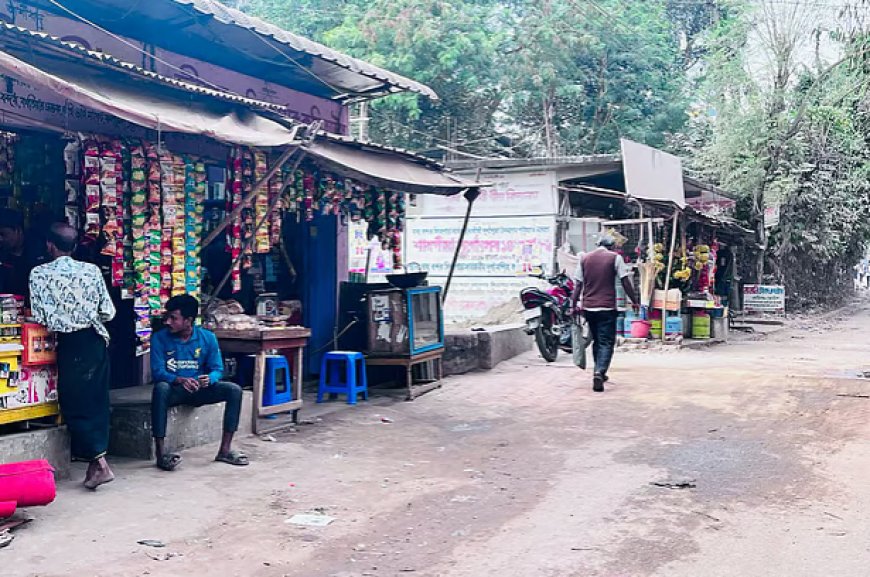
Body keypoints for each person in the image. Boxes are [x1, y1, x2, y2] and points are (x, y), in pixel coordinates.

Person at [29, 223, 116, 489]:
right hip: (96, 339)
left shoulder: (39, 274)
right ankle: (96, 464)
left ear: (49, 245)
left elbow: (39, 315)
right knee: (97, 400)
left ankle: (100, 464)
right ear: (75, 246)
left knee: (74, 403)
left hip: (71, 343)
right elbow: (108, 311)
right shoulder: (91, 271)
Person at [149, 294, 248, 471]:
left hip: (200, 390)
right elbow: (157, 372)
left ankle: (224, 451)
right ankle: (161, 454)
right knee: (160, 388)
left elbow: (217, 369)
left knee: (234, 390)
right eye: (167, 317)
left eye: (174, 318)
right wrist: (178, 380)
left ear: (188, 321)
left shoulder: (208, 338)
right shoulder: (159, 338)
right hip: (175, 390)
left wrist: (209, 379)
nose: (168, 322)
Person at [571, 233, 639, 393]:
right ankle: (599, 372)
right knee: (606, 342)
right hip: (607, 307)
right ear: (612, 246)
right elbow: (625, 281)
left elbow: (578, 285)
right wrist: (634, 300)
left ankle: (599, 370)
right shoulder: (615, 258)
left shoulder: (584, 259)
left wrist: (572, 305)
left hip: (588, 308)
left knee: (597, 340)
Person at [0, 208, 47, 299]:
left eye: (3, 234)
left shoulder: (39, 251)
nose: (0, 239)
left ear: (18, 230)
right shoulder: (2, 256)